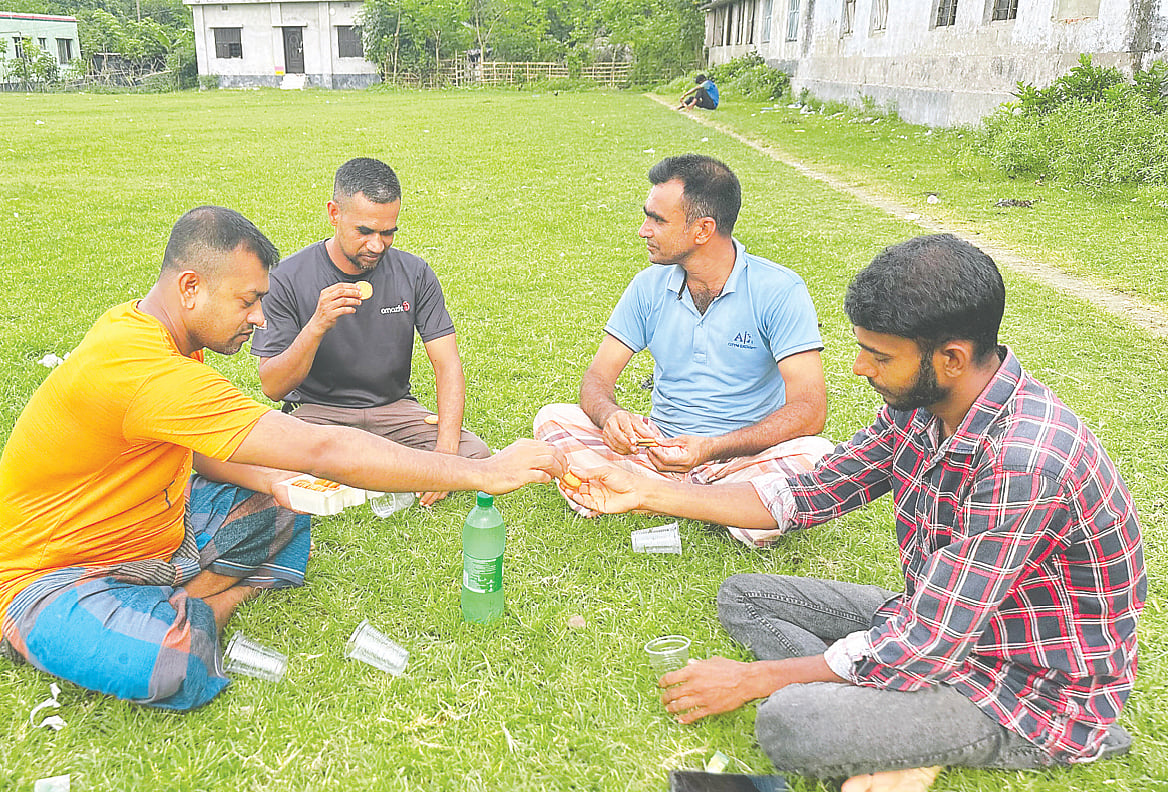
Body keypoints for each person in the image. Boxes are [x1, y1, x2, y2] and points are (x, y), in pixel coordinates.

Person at [569, 234, 1145, 792]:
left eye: (878, 355)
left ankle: (956, 743)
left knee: (790, 722)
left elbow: (926, 641)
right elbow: (809, 492)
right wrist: (646, 490)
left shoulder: (1026, 461)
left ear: (950, 358)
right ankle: (883, 709)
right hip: (946, 630)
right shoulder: (924, 410)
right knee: (743, 595)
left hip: (1026, 686)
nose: (858, 368)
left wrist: (751, 680)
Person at [0, 206, 564, 711]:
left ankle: (175, 601)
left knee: (286, 506)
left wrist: (275, 479)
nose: (260, 319)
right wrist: (484, 471)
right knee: (173, 662)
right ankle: (182, 610)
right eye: (248, 301)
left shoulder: (155, 332)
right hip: (51, 570)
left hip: (156, 531)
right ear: (190, 287)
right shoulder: (143, 369)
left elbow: (196, 456)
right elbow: (322, 446)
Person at [534, 154, 833, 545]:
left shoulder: (779, 290)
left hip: (740, 460)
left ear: (703, 229)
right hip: (656, 452)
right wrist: (612, 416)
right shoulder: (647, 286)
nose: (644, 230)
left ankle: (649, 495)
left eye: (657, 220)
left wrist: (711, 448)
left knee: (817, 456)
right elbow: (597, 378)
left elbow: (810, 410)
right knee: (553, 418)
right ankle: (705, 505)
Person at [252, 157, 488, 508]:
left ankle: (358, 473)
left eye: (387, 232)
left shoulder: (415, 273)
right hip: (319, 414)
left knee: (474, 452)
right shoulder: (286, 278)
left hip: (392, 411)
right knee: (254, 459)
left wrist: (445, 456)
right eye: (365, 231)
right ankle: (388, 472)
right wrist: (316, 326)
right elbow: (273, 387)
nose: (377, 245)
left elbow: (448, 364)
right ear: (334, 213)